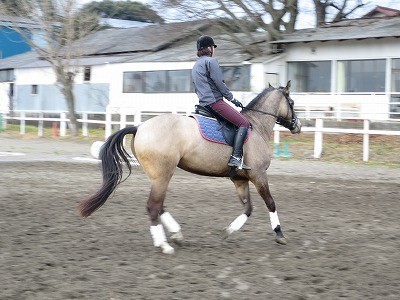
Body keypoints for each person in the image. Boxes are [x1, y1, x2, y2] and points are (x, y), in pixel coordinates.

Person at [192, 35, 251, 170]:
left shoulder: (195, 65)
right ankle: (236, 157)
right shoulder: (211, 62)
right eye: (213, 47)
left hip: (203, 103)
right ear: (209, 48)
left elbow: (196, 87)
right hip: (214, 102)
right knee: (243, 123)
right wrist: (231, 98)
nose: (214, 50)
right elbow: (219, 83)